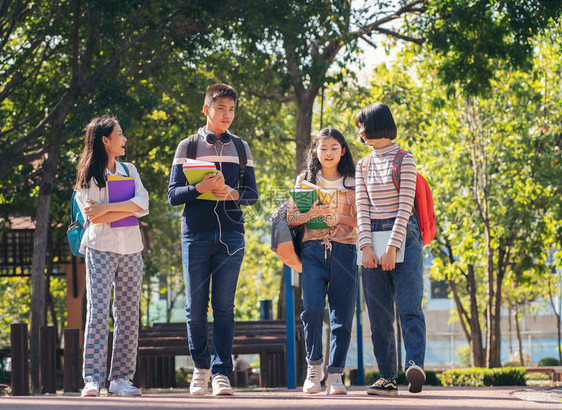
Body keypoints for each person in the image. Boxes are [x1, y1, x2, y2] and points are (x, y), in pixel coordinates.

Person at [168, 83, 258, 396]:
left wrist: (233, 193)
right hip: (194, 234)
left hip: (232, 235)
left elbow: (252, 195)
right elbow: (172, 195)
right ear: (207, 110)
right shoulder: (188, 147)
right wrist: (199, 189)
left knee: (224, 306)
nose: (227, 115)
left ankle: (221, 372)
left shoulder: (242, 148)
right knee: (195, 307)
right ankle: (201, 370)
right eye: (221, 109)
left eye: (231, 109)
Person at [74, 116, 149, 397]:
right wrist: (124, 208)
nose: (124, 138)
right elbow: (91, 215)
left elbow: (143, 205)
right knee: (97, 312)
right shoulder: (88, 176)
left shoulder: (130, 170)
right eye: (119, 134)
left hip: (131, 248)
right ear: (106, 140)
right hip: (100, 247)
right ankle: (92, 378)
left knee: (128, 314)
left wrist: (108, 209)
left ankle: (121, 379)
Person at [355, 102, 426, 396]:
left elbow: (404, 207)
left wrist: (392, 247)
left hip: (404, 236)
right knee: (379, 314)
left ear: (376, 125)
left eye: (361, 126)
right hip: (372, 237)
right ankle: (387, 377)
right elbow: (362, 207)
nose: (359, 132)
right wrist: (367, 246)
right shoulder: (363, 164)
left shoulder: (404, 159)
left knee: (409, 308)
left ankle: (413, 366)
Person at [287, 128, 358, 395]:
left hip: (345, 251)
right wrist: (313, 213)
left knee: (342, 315)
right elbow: (292, 218)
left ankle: (336, 375)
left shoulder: (354, 181)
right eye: (323, 148)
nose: (328, 153)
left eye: (334, 147)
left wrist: (340, 218)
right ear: (315, 150)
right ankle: (313, 368)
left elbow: (364, 221)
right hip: (312, 251)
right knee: (313, 309)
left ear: (342, 150)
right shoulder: (305, 180)